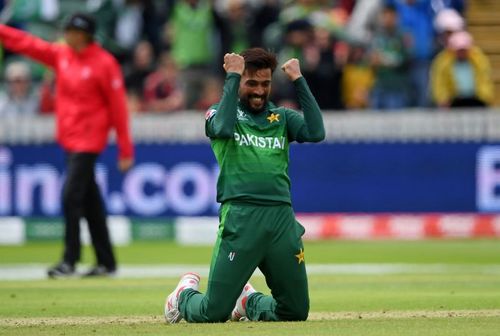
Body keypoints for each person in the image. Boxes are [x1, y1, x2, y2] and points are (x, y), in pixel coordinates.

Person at [164, 47, 325, 323]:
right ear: (238, 82)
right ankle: (183, 296)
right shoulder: (219, 112)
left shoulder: (282, 118)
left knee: (295, 311)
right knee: (213, 312)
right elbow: (223, 128)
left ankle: (249, 301)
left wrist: (299, 80)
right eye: (252, 83)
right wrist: (233, 76)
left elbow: (316, 131)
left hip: (281, 220)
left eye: (266, 84)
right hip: (241, 218)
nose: (260, 91)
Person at [0, 13, 135, 278]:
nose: (68, 35)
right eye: (67, 31)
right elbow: (28, 44)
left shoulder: (104, 63)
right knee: (90, 201)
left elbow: (118, 108)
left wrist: (125, 149)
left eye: (73, 31)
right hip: (70, 139)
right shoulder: (62, 55)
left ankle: (69, 260)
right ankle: (106, 262)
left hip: (90, 141)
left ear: (86, 34)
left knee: (69, 197)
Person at [430, 30, 494, 108]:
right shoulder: (444, 62)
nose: (461, 52)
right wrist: (442, 98)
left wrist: (485, 97)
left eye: (464, 49)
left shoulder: (479, 61)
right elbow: (439, 82)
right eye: (459, 50)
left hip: (476, 100)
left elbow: (485, 80)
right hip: (454, 101)